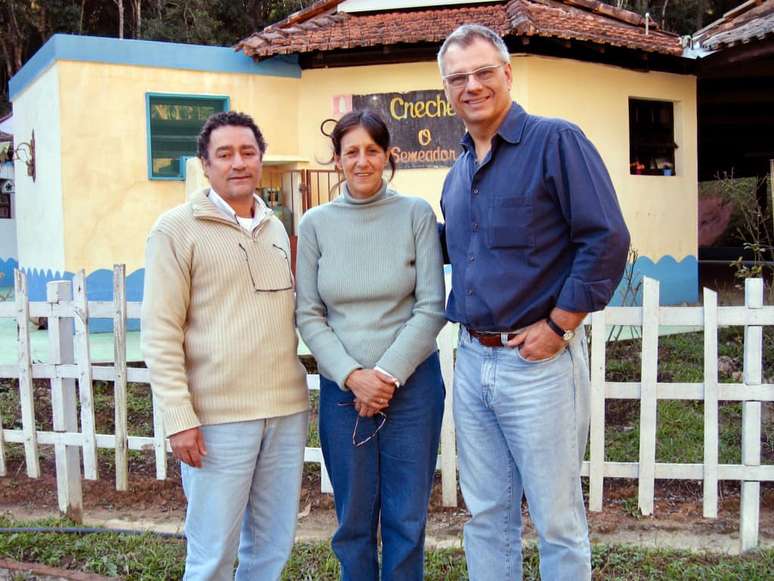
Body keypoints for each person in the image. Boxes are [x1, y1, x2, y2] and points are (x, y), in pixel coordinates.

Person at [437, 24, 630, 580]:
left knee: (557, 520)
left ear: (507, 74)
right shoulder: (459, 170)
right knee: (488, 513)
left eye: (481, 72)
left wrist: (561, 324)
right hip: (473, 362)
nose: (470, 86)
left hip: (537, 362)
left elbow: (606, 237)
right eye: (457, 78)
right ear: (447, 89)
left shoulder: (555, 141)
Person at [141, 111, 309, 581]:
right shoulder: (176, 229)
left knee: (272, 547)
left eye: (248, 152)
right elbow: (159, 332)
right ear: (205, 164)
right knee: (213, 553)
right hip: (216, 420)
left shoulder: (275, 228)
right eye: (225, 154)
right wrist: (179, 418)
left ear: (261, 159)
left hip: (284, 411)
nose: (238, 163)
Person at [295, 110, 446, 581]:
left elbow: (431, 306)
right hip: (344, 391)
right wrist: (354, 377)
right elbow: (308, 314)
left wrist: (385, 376)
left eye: (372, 151)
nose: (362, 161)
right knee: (354, 520)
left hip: (412, 388)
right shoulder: (315, 224)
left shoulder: (416, 214)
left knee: (406, 518)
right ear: (337, 159)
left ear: (388, 157)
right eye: (351, 152)